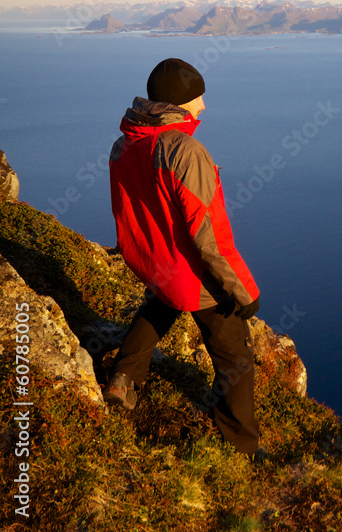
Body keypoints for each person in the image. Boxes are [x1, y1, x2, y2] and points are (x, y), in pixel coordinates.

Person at [103, 57, 263, 458]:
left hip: (154, 261)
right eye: (198, 99)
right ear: (179, 103)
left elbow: (126, 208)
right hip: (193, 271)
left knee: (159, 306)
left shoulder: (125, 144)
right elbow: (209, 236)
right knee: (235, 358)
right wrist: (243, 290)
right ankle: (242, 446)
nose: (203, 107)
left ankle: (122, 379)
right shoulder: (185, 151)